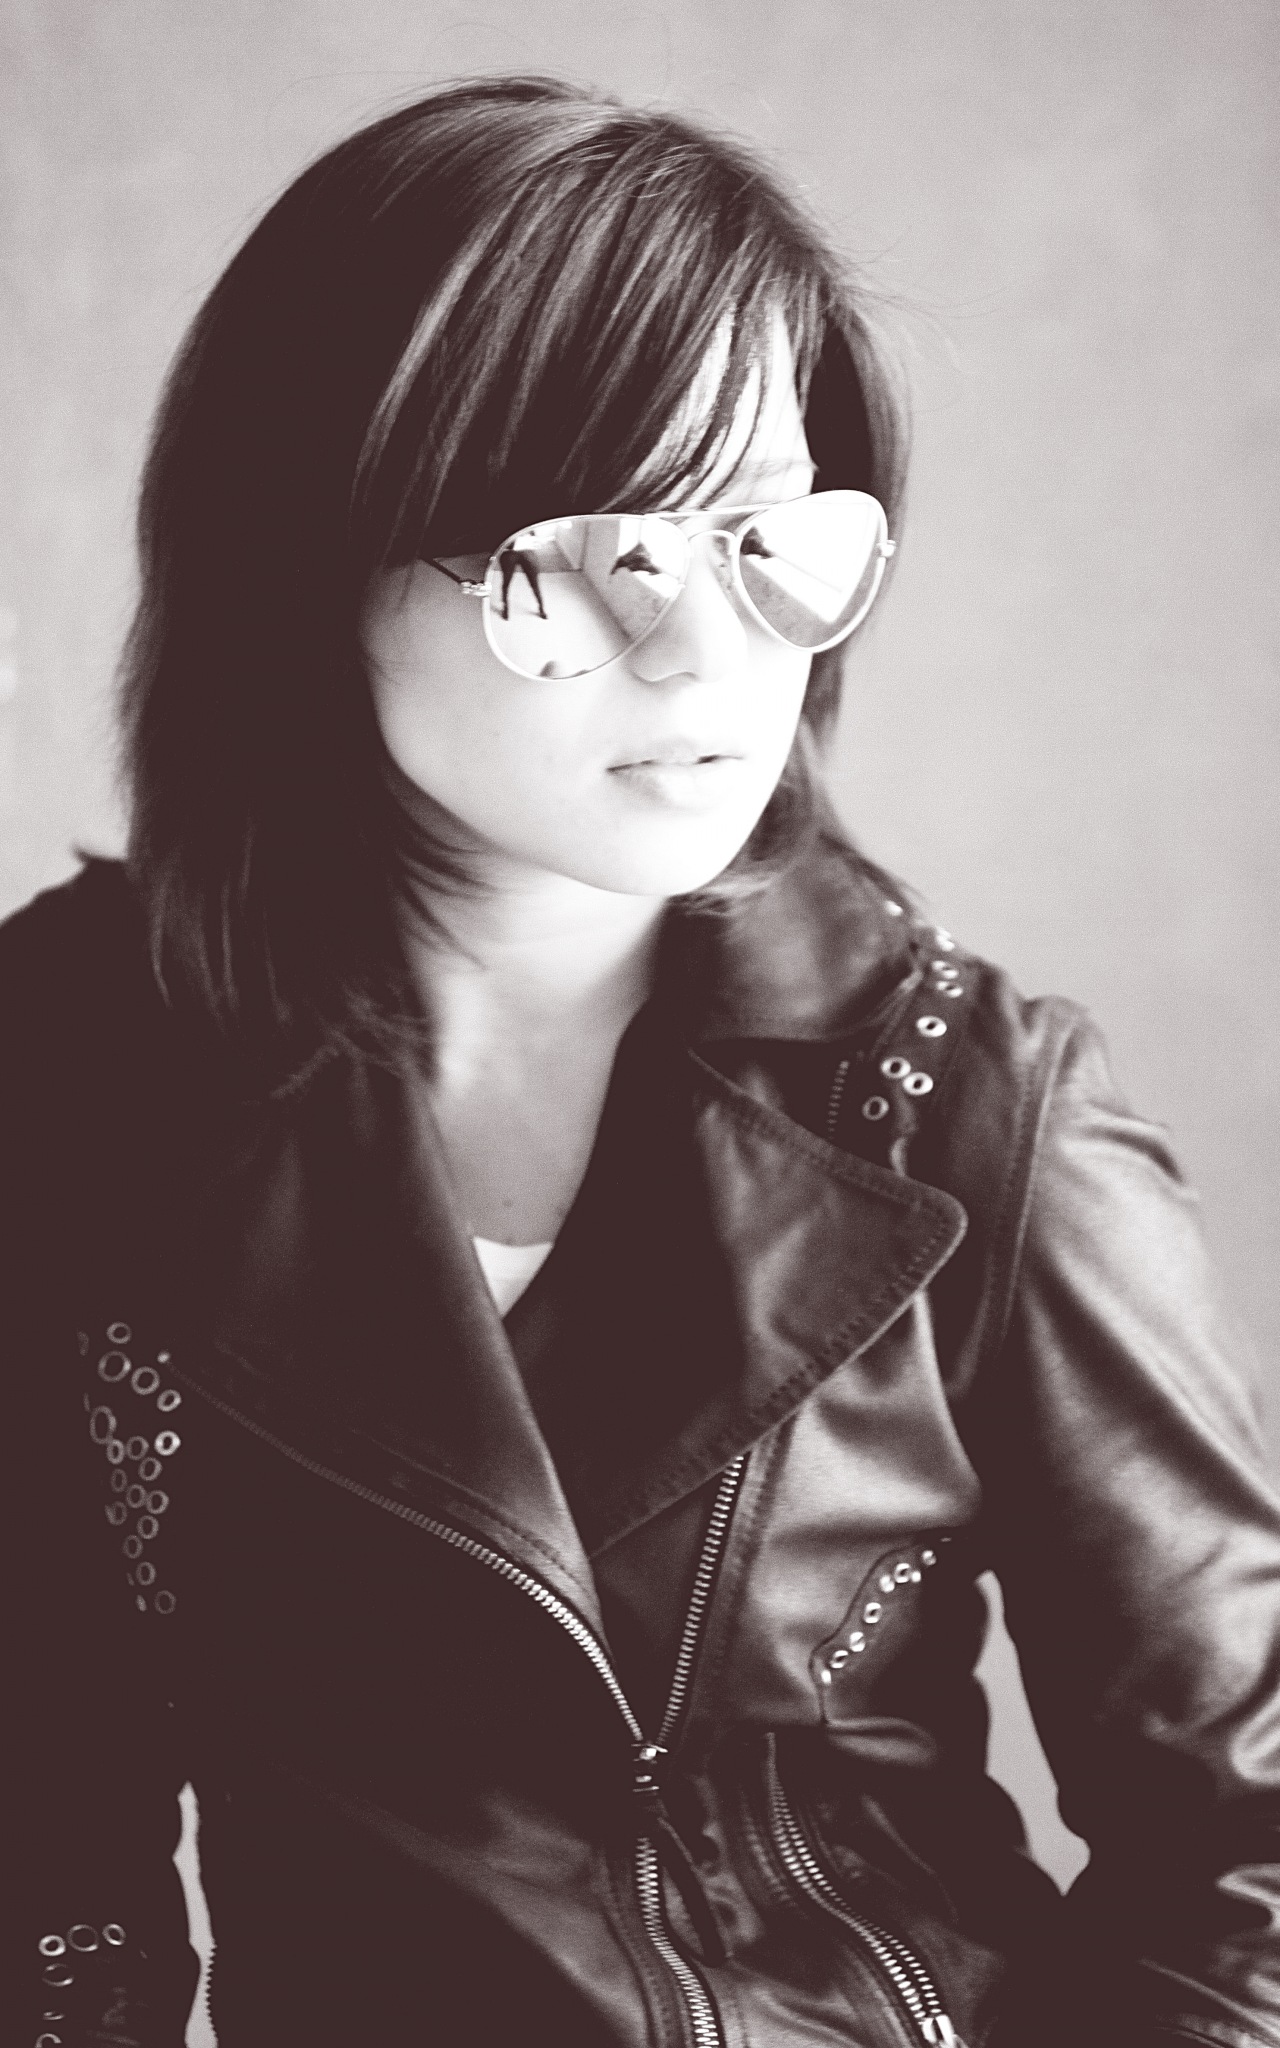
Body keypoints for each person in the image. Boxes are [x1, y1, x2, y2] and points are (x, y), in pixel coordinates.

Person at [7, 73, 1280, 2048]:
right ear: (307, 567)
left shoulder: (969, 1103)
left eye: (766, 536)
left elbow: (1245, 1863)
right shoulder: (73, 1061)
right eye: (585, 556)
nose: (706, 655)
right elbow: (45, 1848)